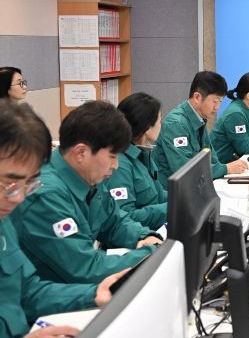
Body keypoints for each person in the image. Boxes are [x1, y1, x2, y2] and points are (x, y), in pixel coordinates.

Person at [0, 100, 126, 338]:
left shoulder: (3, 218)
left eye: (28, 183)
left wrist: (94, 294)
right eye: (10, 183)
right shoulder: (45, 196)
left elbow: (28, 292)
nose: (19, 198)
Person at [10, 101, 162, 284]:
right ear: (81, 153)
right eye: (112, 156)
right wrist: (151, 254)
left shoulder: (88, 176)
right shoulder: (46, 196)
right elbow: (85, 268)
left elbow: (114, 222)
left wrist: (143, 236)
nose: (116, 165)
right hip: (56, 295)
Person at [154, 71, 247, 186]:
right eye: (215, 101)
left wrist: (224, 167)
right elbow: (184, 170)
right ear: (197, 97)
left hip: (196, 186)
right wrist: (226, 169)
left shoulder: (199, 118)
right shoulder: (176, 124)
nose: (217, 107)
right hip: (173, 191)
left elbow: (211, 157)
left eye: (220, 102)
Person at [102, 93, 167, 231]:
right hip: (138, 236)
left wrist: (182, 198)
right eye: (159, 121)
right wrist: (170, 209)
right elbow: (126, 217)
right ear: (147, 128)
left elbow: (157, 194)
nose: (161, 125)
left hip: (152, 230)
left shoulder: (142, 153)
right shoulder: (120, 165)